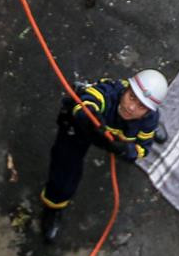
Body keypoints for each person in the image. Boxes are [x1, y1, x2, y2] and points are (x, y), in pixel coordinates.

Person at [40, 70, 169, 243]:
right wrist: (90, 118)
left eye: (141, 106)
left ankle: (149, 131)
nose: (131, 107)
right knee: (65, 169)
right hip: (83, 129)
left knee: (146, 132)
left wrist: (124, 150)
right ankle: (53, 206)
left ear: (148, 111)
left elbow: (142, 150)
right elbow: (87, 101)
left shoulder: (148, 119)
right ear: (126, 89)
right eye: (132, 97)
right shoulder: (109, 91)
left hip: (117, 139)